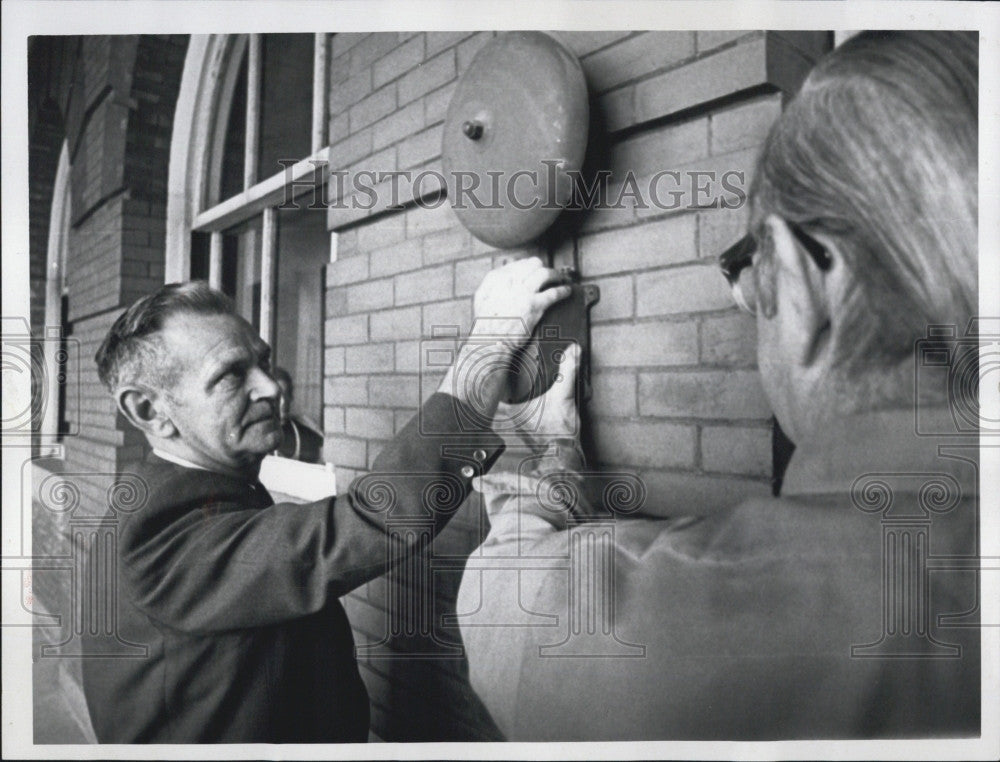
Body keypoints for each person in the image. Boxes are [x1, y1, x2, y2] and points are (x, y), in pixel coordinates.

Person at [456, 31, 980, 739]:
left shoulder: (673, 627)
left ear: (802, 278)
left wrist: (545, 451)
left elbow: (499, 594)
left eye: (748, 266)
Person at [81, 257, 571, 742]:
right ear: (149, 409)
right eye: (232, 375)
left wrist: (555, 448)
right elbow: (377, 516)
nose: (271, 387)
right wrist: (492, 343)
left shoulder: (209, 493)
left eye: (264, 362)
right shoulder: (157, 536)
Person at [270, 366, 324, 463]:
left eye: (287, 395)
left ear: (291, 397)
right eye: (277, 397)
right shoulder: (256, 437)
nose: (283, 403)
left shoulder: (306, 433)